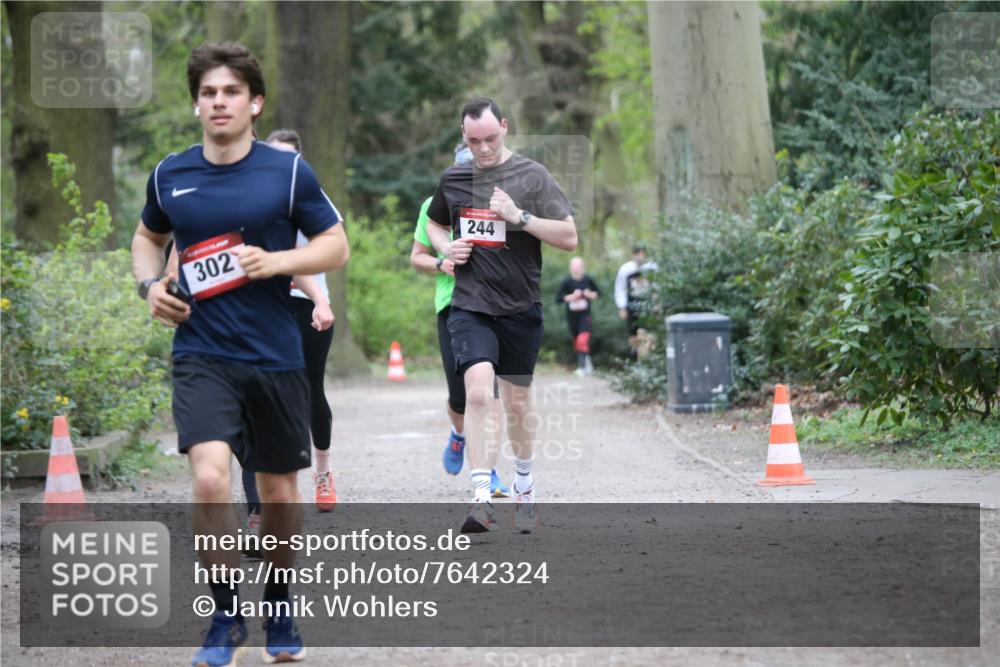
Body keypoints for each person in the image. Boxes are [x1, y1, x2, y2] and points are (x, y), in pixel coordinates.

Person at [130, 42, 348, 666]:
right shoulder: (171, 172)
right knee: (208, 478)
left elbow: (335, 246)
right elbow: (147, 239)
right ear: (196, 103)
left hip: (276, 354)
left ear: (254, 103)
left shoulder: (286, 173)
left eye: (230, 92)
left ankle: (279, 607)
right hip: (202, 351)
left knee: (279, 495)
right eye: (207, 93)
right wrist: (150, 288)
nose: (217, 102)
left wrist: (278, 261)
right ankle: (225, 616)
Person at [425, 97, 577, 534]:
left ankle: (525, 486)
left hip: (520, 307)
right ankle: (480, 499)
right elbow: (435, 223)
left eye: (490, 138)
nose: (484, 148)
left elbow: (569, 236)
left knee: (516, 404)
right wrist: (444, 247)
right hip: (471, 304)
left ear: (505, 128)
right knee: (476, 393)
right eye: (474, 141)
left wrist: (519, 216)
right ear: (463, 137)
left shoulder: (532, 176)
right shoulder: (453, 179)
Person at [409, 143, 508, 498]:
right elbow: (417, 257)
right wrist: (441, 262)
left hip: (491, 305)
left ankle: (490, 471)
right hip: (452, 305)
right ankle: (460, 434)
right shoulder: (432, 206)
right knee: (459, 397)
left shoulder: (498, 204)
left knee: (489, 390)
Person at [555, 257, 599, 376]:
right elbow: (558, 299)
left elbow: (598, 293)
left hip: (585, 315)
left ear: (582, 267)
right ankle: (586, 360)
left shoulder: (588, 279)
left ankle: (582, 367)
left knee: (582, 339)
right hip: (572, 316)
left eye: (578, 266)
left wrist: (588, 294)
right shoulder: (566, 281)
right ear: (570, 268)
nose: (576, 268)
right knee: (577, 342)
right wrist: (571, 297)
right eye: (574, 266)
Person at [614, 245, 658, 359]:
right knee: (633, 334)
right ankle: (635, 354)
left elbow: (657, 287)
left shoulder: (652, 267)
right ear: (633, 255)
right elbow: (620, 288)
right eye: (637, 254)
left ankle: (645, 357)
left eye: (642, 254)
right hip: (632, 305)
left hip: (647, 305)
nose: (640, 257)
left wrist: (656, 303)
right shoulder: (626, 269)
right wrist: (622, 307)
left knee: (646, 333)